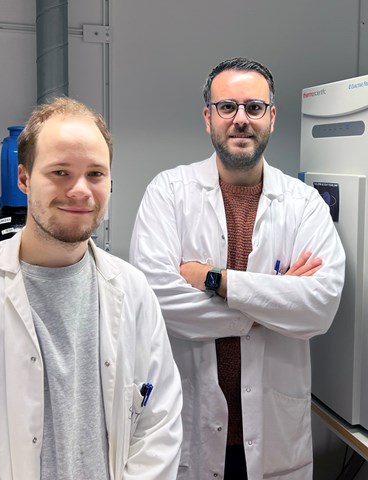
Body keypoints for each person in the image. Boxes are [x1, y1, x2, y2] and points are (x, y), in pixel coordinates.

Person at [0, 97, 183, 480]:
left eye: (95, 174)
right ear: (24, 179)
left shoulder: (132, 291)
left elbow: (158, 426)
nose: (80, 190)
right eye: (60, 172)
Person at [129, 57, 345, 480]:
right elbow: (157, 300)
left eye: (254, 107)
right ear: (207, 117)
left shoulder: (305, 205)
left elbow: (320, 306)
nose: (240, 119)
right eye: (227, 107)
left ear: (272, 117)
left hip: (274, 437)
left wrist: (217, 280)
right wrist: (274, 305)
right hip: (189, 426)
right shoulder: (168, 193)